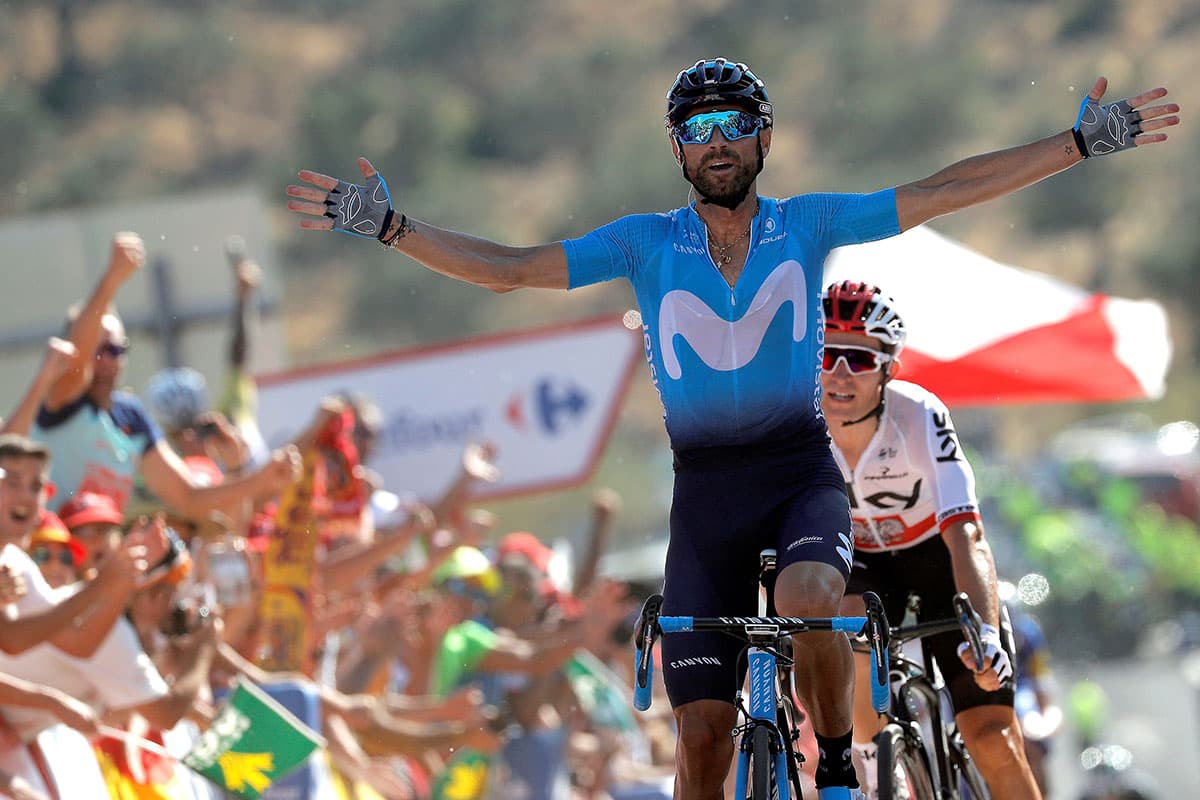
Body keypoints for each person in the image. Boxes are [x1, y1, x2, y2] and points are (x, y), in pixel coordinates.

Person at [285, 57, 1179, 799]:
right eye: (698, 129)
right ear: (678, 148)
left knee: (811, 601)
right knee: (703, 744)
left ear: (763, 139)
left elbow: (941, 190)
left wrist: (1076, 143)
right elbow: (511, 270)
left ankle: (837, 762)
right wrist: (391, 227)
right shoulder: (642, 243)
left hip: (799, 476)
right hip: (705, 496)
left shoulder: (809, 222)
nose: (717, 143)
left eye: (734, 125)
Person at [819, 281, 1039, 798]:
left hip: (936, 562)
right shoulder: (796, 422)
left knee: (992, 737)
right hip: (861, 564)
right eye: (827, 355)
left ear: (889, 369)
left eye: (860, 359)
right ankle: (873, 763)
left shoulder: (919, 414)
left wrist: (985, 633)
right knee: (849, 622)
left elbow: (966, 532)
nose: (841, 373)